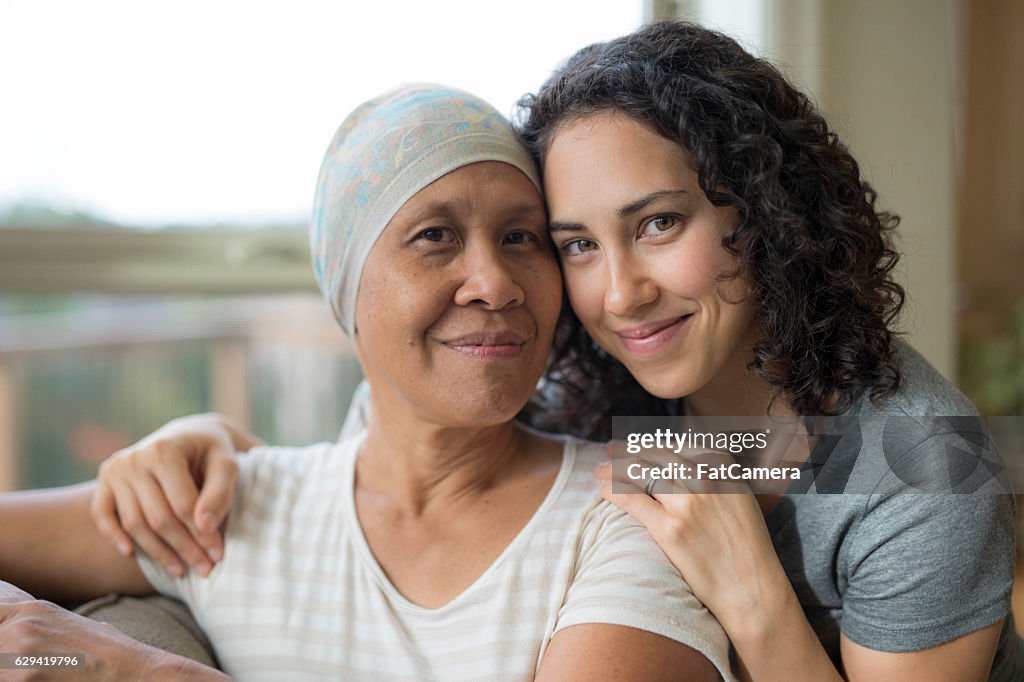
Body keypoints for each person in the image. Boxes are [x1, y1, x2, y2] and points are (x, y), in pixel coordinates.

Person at [92, 22, 1022, 681]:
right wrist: (211, 439)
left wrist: (755, 597)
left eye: (658, 223)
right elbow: (384, 480)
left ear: (766, 213)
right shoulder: (589, 383)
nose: (619, 294)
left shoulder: (923, 465)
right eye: (576, 243)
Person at [0, 83, 731, 681]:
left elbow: (819, 452)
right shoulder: (222, 508)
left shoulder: (644, 500)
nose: (494, 283)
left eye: (522, 238)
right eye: (435, 236)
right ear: (346, 292)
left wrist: (148, 674)